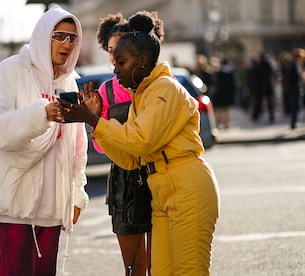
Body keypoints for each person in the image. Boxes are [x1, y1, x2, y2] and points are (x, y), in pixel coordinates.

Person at [56, 12, 220, 276]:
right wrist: (96, 122)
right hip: (161, 190)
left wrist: (95, 121)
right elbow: (130, 158)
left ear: (142, 61)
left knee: (190, 271)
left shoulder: (166, 89)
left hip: (188, 187)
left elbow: (141, 140)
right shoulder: (141, 94)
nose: (115, 69)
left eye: (121, 61)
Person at [0, 6, 89, 276]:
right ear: (42, 35)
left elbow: (77, 149)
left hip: (52, 207)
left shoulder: (71, 83)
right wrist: (41, 114)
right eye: (59, 35)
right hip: (18, 204)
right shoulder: (11, 71)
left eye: (72, 38)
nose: (67, 43)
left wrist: (76, 196)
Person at [93, 12, 154, 276]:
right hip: (124, 183)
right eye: (110, 50)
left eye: (120, 48)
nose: (114, 56)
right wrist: (93, 120)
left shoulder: (156, 85)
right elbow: (98, 148)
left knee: (163, 264)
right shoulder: (105, 91)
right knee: (135, 268)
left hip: (158, 177)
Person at [212, 59, 236, 129]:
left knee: (218, 110)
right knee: (226, 110)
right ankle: (226, 124)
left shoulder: (217, 73)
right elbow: (233, 85)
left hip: (219, 94)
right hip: (227, 94)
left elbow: (215, 84)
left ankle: (217, 125)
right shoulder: (230, 73)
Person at [288, 47, 305, 129]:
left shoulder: (298, 65)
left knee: (298, 106)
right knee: (296, 106)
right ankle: (293, 123)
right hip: (295, 89)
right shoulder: (292, 66)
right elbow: (291, 79)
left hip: (299, 89)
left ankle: (295, 122)